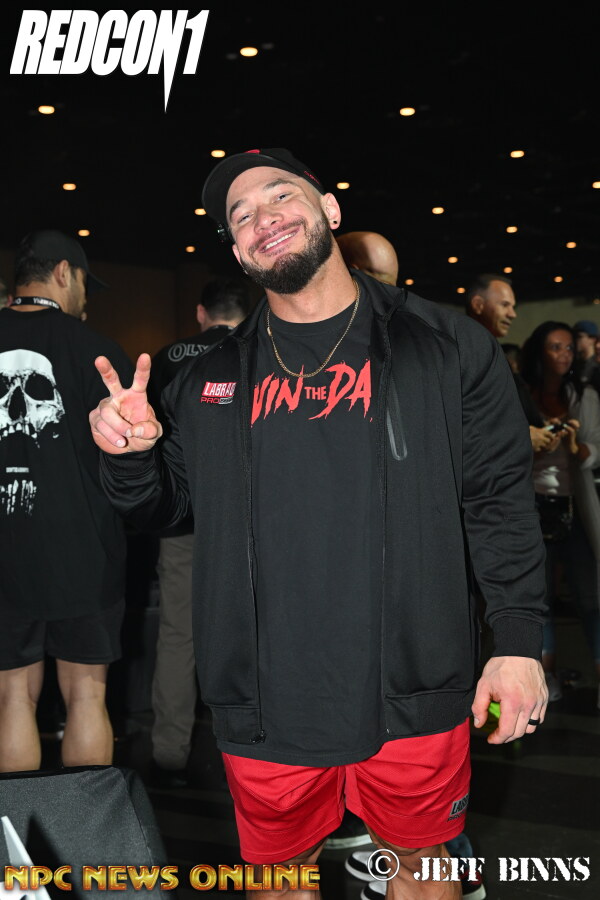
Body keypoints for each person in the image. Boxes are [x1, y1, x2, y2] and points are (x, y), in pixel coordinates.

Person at [90, 148, 547, 900]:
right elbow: (158, 507)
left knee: (423, 873)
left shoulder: (445, 345)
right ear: (238, 251)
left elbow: (498, 498)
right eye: (242, 216)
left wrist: (519, 641)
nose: (263, 218)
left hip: (416, 676)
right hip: (263, 692)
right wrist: (130, 454)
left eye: (280, 196)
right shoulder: (208, 377)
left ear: (330, 209)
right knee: (277, 884)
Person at [337, 230, 486, 899]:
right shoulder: (294, 361)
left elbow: (485, 489)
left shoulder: (437, 351)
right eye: (371, 279)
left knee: (421, 833)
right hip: (329, 638)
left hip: (420, 626)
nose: (384, 296)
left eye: (392, 283)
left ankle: (438, 857)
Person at [0, 229, 133, 772]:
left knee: (12, 699)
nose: (85, 299)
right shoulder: (97, 354)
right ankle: (85, 825)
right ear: (63, 273)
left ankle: (15, 828)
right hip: (83, 553)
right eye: (83, 283)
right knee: (86, 697)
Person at [147, 277, 250, 787]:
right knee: (260, 627)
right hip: (251, 519)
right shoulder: (262, 349)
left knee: (178, 632)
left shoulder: (167, 358)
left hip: (182, 519)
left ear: (200, 313)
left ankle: (169, 752)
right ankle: (260, 748)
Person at [519, 321, 600, 707]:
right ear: (540, 351)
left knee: (591, 598)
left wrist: (573, 443)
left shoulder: (584, 395)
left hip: (574, 506)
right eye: (555, 347)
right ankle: (546, 678)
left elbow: (594, 452)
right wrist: (534, 442)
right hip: (532, 505)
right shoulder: (521, 393)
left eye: (569, 348)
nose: (564, 355)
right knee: (541, 598)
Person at [573, 319, 600, 395]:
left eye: (579, 336)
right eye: (574, 336)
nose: (575, 340)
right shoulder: (573, 364)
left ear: (592, 339)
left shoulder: (596, 367)